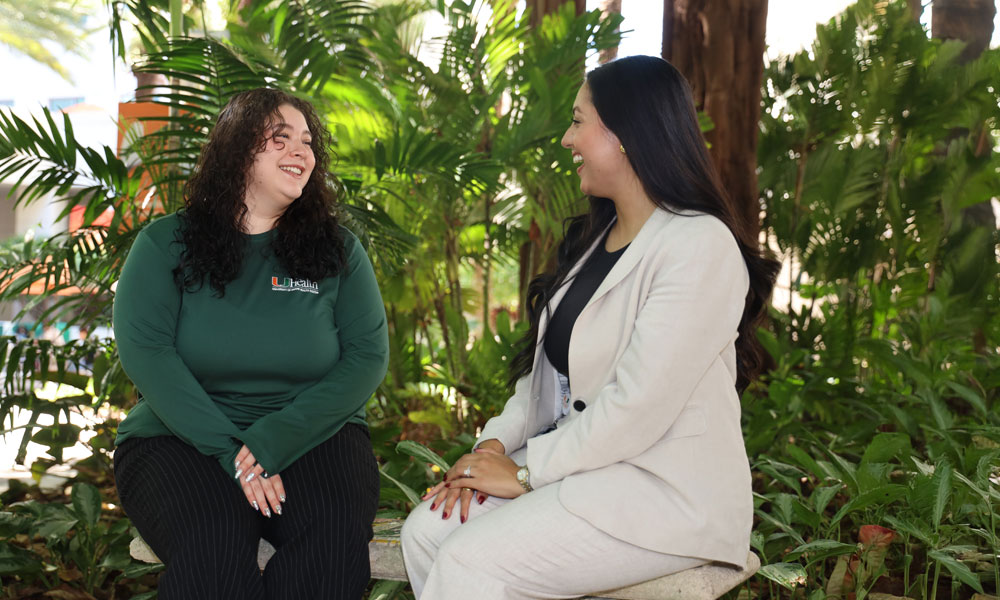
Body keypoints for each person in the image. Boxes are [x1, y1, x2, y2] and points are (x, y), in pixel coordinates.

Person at [400, 55, 780, 599]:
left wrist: (526, 475)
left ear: (624, 134)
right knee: (426, 533)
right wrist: (492, 445)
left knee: (471, 563)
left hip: (662, 495)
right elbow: (546, 385)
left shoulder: (699, 246)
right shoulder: (595, 244)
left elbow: (638, 404)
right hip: (587, 474)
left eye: (578, 121)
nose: (565, 138)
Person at [112, 88, 389, 600]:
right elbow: (148, 354)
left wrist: (271, 441)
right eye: (279, 139)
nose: (300, 152)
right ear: (236, 151)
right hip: (180, 438)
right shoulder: (163, 244)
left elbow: (367, 358)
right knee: (212, 544)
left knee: (332, 543)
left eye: (307, 141)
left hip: (316, 434)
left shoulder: (339, 251)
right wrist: (232, 451)